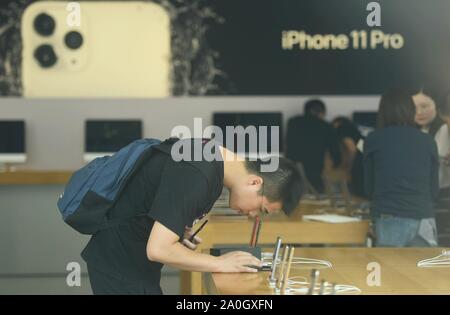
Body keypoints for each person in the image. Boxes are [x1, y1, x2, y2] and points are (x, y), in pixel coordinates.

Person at [81, 137, 304, 294]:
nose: (254, 215)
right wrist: (220, 263)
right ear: (255, 182)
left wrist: (175, 226)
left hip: (126, 260)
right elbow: (158, 249)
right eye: (262, 209)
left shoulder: (209, 156)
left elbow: (154, 195)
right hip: (121, 265)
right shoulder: (200, 173)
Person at [364, 89, 440, 247]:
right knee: (424, 271)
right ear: (411, 110)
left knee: (392, 270)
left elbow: (368, 187)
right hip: (423, 217)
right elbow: (434, 189)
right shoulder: (427, 141)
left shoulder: (373, 139)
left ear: (383, 112)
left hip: (388, 216)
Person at [286, 99, 341, 193]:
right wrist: (336, 164)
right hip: (314, 171)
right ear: (321, 112)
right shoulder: (325, 126)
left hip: (292, 168)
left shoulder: (292, 122)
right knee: (316, 200)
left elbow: (287, 142)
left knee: (294, 197)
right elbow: (335, 152)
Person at [332, 117, 365, 198]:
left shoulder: (343, 129)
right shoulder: (359, 136)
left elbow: (352, 150)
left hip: (358, 167)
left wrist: (349, 167)